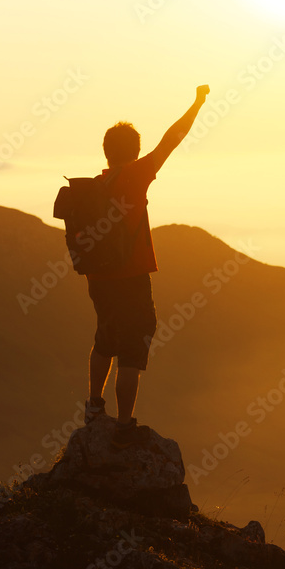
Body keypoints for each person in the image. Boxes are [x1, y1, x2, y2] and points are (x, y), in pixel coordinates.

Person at [83, 84, 209, 448]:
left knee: (104, 338)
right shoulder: (136, 176)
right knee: (132, 348)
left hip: (98, 278)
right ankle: (124, 426)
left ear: (106, 152)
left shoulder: (95, 186)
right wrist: (197, 104)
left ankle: (94, 408)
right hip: (131, 278)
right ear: (135, 152)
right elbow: (174, 138)